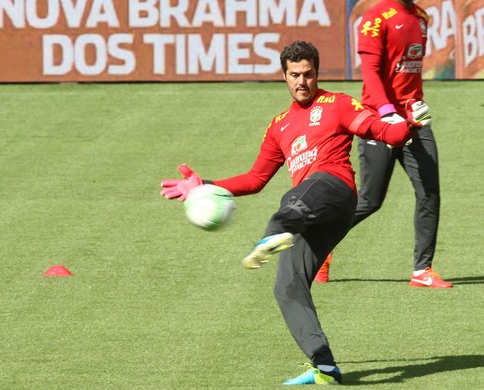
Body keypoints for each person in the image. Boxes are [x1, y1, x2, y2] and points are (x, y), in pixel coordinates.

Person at [160, 41, 429, 385]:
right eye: (294, 75)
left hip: (335, 191)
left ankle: (277, 231)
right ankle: (325, 366)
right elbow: (255, 179)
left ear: (317, 73)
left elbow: (381, 130)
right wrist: (203, 185)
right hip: (310, 214)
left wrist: (409, 124)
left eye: (308, 74)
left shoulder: (339, 103)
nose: (302, 81)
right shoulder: (279, 125)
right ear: (284, 76)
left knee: (295, 199)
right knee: (287, 286)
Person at [315, 0, 453, 288]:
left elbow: (409, 72)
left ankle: (422, 270)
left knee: (429, 191)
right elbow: (372, 72)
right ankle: (321, 243)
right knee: (370, 200)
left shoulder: (421, 17)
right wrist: (387, 112)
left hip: (414, 120)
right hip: (379, 119)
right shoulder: (374, 19)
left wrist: (413, 107)